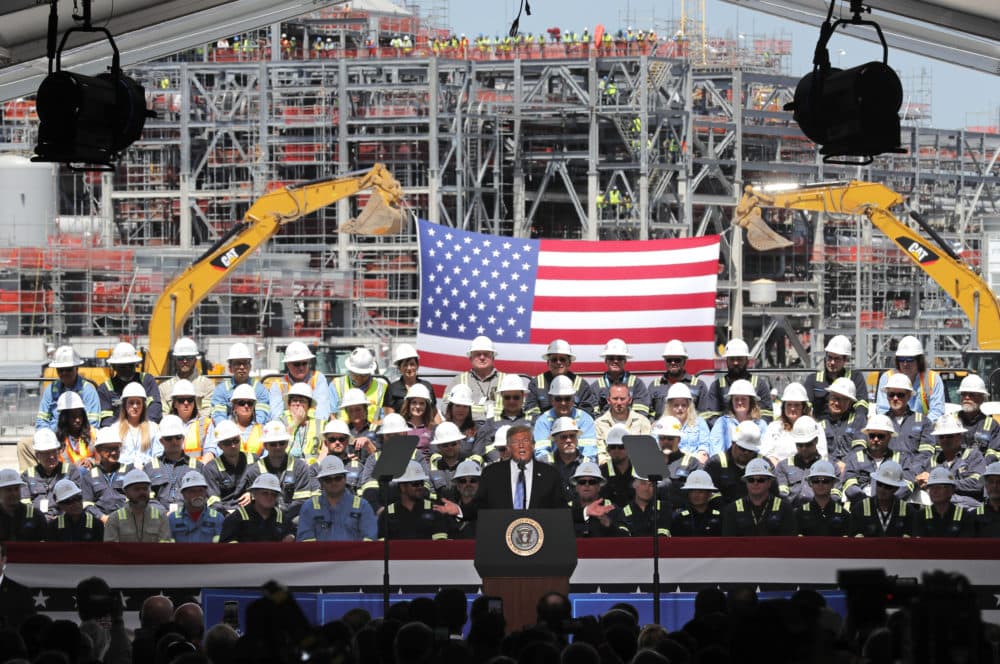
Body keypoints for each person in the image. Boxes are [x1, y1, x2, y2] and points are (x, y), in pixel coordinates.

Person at [439, 424, 566, 519]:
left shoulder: (550, 474)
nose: (521, 445)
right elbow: (479, 507)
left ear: (533, 445)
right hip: (501, 540)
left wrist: (584, 512)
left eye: (525, 441)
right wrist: (459, 510)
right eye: (516, 442)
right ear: (509, 447)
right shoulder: (491, 473)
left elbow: (562, 511)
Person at [243, 421, 317, 520]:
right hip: (264, 519)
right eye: (273, 444)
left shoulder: (300, 467)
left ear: (287, 444)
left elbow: (302, 500)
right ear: (265, 446)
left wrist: (281, 516)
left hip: (293, 517)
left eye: (282, 443)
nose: (278, 447)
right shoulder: (255, 470)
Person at [297, 456, 377, 542]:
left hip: (354, 555)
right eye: (328, 479)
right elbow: (305, 542)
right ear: (321, 482)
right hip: (320, 555)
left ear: (345, 478)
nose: (333, 482)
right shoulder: (309, 508)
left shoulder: (362, 506)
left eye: (338, 478)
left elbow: (369, 540)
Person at [842, 414, 916, 504]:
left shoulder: (902, 460)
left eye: (881, 436)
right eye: (872, 436)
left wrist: (886, 501)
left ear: (889, 436)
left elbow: (907, 485)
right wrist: (869, 503)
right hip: (861, 508)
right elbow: (849, 485)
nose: (876, 439)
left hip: (892, 509)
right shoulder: (854, 459)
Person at [701, 338, 774, 425]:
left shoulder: (760, 385)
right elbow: (711, 416)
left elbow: (767, 415)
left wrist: (749, 428)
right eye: (732, 359)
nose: (735, 363)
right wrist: (731, 429)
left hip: (754, 434)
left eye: (739, 359)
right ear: (726, 361)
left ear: (747, 360)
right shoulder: (717, 386)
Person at [920, 413, 986, 508]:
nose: (945, 440)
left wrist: (943, 484)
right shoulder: (931, 461)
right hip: (938, 511)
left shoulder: (973, 456)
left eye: (949, 436)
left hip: (967, 509)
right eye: (941, 437)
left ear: (960, 435)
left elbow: (977, 483)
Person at [875, 335, 945, 422]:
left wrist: (919, 426)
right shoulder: (887, 378)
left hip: (924, 430)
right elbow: (882, 410)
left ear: (919, 360)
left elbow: (937, 411)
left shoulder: (933, 379)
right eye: (901, 359)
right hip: (893, 428)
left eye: (909, 359)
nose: (905, 364)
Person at [35, 345, 100, 436]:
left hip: (79, 439)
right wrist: (47, 438)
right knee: (24, 444)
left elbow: (93, 423)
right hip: (53, 438)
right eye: (60, 370)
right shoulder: (50, 390)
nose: (64, 373)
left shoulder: (88, 390)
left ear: (76, 368)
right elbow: (41, 420)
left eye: (68, 369)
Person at [721, 458, 796, 536]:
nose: (755, 483)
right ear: (746, 482)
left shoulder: (784, 508)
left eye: (761, 480)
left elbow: (789, 542)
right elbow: (729, 543)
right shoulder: (732, 510)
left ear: (769, 482)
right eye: (751, 480)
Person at [144, 414, 203, 514]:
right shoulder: (149, 468)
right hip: (159, 520)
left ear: (183, 438)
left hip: (190, 517)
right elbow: (147, 496)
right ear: (161, 441)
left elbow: (203, 496)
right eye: (169, 438)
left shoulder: (198, 467)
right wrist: (163, 513)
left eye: (178, 437)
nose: (174, 441)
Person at [525, 340, 598, 418]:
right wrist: (548, 425)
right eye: (554, 360)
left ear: (569, 362)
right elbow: (531, 412)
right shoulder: (536, 384)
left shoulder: (581, 385)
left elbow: (587, 413)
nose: (558, 362)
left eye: (562, 359)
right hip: (546, 427)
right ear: (548, 363)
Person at [20, 428, 82, 521]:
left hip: (63, 522)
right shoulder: (27, 476)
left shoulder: (70, 471)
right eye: (46, 453)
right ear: (37, 455)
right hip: (37, 522)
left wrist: (58, 519)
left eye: (54, 451)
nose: (52, 456)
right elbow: (25, 506)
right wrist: (40, 518)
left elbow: (76, 502)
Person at [378, 461, 450, 540]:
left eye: (421, 483)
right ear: (402, 487)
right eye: (415, 483)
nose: (420, 487)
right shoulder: (388, 514)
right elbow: (382, 547)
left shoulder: (435, 510)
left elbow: (440, 544)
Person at [802, 335, 869, 419]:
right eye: (829, 357)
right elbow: (806, 405)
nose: (832, 362)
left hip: (847, 427)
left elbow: (862, 403)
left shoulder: (855, 378)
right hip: (820, 427)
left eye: (837, 359)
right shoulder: (812, 380)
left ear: (845, 360)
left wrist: (858, 420)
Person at [533, 375, 598, 461]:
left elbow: (590, 453)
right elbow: (541, 453)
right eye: (558, 399)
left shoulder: (585, 420)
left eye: (567, 398)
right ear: (551, 400)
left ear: (573, 399)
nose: (563, 403)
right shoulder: (543, 421)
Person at [97, 341, 163, 426]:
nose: (127, 369)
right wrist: (127, 429)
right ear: (113, 366)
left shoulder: (147, 381)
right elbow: (107, 421)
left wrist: (140, 427)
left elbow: (155, 409)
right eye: (122, 366)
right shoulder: (105, 389)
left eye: (130, 365)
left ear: (136, 364)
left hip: (146, 430)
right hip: (118, 435)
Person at [442, 336, 506, 422]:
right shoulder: (458, 380)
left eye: (486, 354)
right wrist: (481, 415)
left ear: (493, 357)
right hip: (466, 429)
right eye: (478, 354)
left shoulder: (506, 380)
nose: (482, 357)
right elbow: (445, 407)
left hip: (498, 427)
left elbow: (519, 407)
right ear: (470, 358)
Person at [760, 383, 828, 464]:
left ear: (803, 407)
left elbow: (823, 454)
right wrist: (773, 461)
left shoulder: (816, 426)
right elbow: (764, 452)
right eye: (789, 405)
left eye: (796, 405)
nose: (792, 408)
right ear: (783, 406)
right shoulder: (774, 427)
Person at [268, 341, 332, 423]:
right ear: (288, 364)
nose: (301, 367)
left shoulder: (318, 378)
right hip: (287, 430)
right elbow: (276, 416)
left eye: (304, 363)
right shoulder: (278, 384)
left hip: (313, 427)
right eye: (296, 364)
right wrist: (294, 422)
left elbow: (322, 411)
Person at [220, 474, 296, 542]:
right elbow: (227, 547)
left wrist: (291, 536)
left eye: (273, 494)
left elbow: (294, 533)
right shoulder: (238, 518)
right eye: (265, 493)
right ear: (254, 494)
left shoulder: (281, 517)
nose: (269, 497)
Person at [80, 426, 133, 522]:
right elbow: (86, 504)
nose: (113, 452)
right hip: (99, 524)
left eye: (116, 449)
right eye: (108, 449)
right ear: (98, 449)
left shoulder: (130, 472)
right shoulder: (89, 477)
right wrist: (103, 518)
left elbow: (136, 500)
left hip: (126, 521)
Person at [104, 469, 173, 542]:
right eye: (137, 489)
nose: (142, 492)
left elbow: (165, 548)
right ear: (126, 492)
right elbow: (111, 550)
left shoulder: (161, 517)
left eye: (145, 489)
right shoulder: (114, 519)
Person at [203, 420, 256, 514]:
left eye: (236, 441)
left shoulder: (253, 460)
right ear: (219, 446)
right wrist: (227, 514)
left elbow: (265, 487)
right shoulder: (211, 468)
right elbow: (212, 500)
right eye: (227, 443)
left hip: (250, 512)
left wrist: (252, 494)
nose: (233, 445)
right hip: (224, 512)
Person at [774, 417, 830, 507]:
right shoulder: (783, 466)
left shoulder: (829, 467)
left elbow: (834, 497)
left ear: (816, 441)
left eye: (808, 444)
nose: (804, 448)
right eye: (799, 444)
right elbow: (781, 495)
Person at [705, 420, 763, 506]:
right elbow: (709, 494)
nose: (746, 453)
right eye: (742, 448)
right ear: (733, 443)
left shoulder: (764, 464)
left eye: (750, 450)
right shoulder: (715, 464)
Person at [474, 373, 530, 462]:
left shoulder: (534, 422)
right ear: (502, 397)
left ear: (523, 396)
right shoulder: (489, 424)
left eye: (516, 397)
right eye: (507, 397)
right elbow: (478, 452)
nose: (511, 401)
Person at [848, 460, 913, 537]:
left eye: (888, 486)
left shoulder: (908, 511)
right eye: (880, 484)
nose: (882, 489)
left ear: (897, 488)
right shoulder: (860, 508)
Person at [210, 343, 270, 425]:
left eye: (245, 363)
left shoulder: (260, 390)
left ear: (250, 366)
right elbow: (219, 416)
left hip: (254, 433)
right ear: (230, 367)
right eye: (238, 363)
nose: (242, 367)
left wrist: (247, 431)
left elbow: (261, 417)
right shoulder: (221, 390)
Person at [649, 339, 711, 419]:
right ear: (665, 362)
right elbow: (649, 415)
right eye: (669, 360)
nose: (673, 363)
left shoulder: (699, 386)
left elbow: (704, 416)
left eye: (677, 360)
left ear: (684, 361)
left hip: (690, 430)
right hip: (662, 430)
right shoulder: (654, 386)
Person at [707, 379, 767, 457]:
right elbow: (716, 451)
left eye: (743, 399)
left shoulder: (761, 425)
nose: (739, 402)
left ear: (751, 401)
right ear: (731, 402)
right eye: (736, 399)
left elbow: (764, 450)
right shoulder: (722, 423)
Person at [591, 339, 651, 417]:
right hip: (605, 427)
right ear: (606, 361)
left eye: (619, 358)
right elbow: (594, 414)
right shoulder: (595, 387)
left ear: (625, 361)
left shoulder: (637, 384)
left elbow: (641, 413)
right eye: (611, 358)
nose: (615, 361)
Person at [880, 373, 934, 459]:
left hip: (915, 471)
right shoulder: (879, 422)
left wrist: (911, 470)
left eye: (900, 395)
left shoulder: (923, 422)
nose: (895, 398)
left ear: (909, 396)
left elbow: (926, 454)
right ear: (887, 396)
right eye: (891, 394)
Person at [329, 347, 389, 424]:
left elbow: (386, 419)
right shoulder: (336, 385)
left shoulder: (382, 389)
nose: (359, 378)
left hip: (372, 433)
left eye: (363, 375)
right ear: (350, 370)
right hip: (343, 433)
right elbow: (331, 415)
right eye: (356, 374)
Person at [654, 415, 702, 510]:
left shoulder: (692, 462)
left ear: (679, 439)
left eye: (670, 438)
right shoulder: (650, 461)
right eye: (662, 438)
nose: (666, 442)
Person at [820, 377, 868, 470]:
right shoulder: (821, 422)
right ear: (829, 398)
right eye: (834, 398)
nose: (837, 403)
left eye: (843, 400)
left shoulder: (858, 420)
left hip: (853, 469)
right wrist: (836, 464)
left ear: (850, 402)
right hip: (827, 470)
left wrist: (846, 464)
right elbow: (818, 451)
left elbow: (859, 449)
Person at [912, 466, 975, 537]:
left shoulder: (965, 517)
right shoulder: (920, 516)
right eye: (931, 487)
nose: (934, 491)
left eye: (939, 487)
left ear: (951, 490)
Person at [159, 337, 215, 414]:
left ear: (195, 360)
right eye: (181, 358)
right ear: (175, 360)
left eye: (189, 358)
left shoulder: (207, 385)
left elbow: (207, 412)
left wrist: (192, 424)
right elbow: (163, 415)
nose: (185, 361)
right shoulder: (164, 388)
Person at [794, 460, 849, 536]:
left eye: (825, 481)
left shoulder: (844, 515)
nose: (820, 484)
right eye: (816, 481)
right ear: (810, 483)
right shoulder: (799, 514)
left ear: (833, 484)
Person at [658, 383, 711, 462]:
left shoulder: (700, 422)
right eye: (676, 405)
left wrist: (701, 454)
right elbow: (656, 447)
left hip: (695, 465)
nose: (680, 408)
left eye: (683, 405)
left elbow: (705, 446)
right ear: (669, 406)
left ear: (689, 406)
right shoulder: (661, 423)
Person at [168, 471, 225, 542]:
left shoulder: (217, 518)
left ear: (205, 492)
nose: (197, 495)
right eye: (192, 491)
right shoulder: (172, 519)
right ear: (183, 494)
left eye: (201, 490)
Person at [954, 374, 1000, 462]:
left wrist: (976, 468)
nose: (967, 397)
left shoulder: (993, 426)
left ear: (982, 398)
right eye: (964, 394)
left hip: (981, 472)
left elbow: (993, 455)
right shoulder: (949, 421)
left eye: (972, 394)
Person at [594, 383, 652, 452]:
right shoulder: (598, 424)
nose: (619, 403)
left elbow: (646, 449)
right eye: (615, 399)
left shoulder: (643, 422)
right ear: (608, 400)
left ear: (630, 400)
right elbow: (601, 453)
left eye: (622, 399)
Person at [168, 379, 215, 463]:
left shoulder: (205, 424)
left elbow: (210, 451)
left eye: (190, 399)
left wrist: (198, 469)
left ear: (194, 403)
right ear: (174, 403)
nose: (186, 403)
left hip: (198, 471)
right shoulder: (166, 425)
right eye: (181, 400)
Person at [115, 382, 161, 468]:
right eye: (131, 403)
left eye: (138, 403)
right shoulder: (115, 429)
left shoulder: (154, 428)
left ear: (143, 406)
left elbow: (158, 455)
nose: (135, 406)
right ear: (125, 405)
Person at [569, 462, 621, 537]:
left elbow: (626, 538)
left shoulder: (612, 510)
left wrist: (609, 525)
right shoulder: (567, 509)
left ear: (599, 487)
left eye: (592, 482)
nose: (587, 485)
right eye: (582, 482)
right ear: (576, 487)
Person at [276, 383, 323, 466]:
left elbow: (325, 449)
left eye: (302, 401)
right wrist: (296, 422)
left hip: (311, 469)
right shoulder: (280, 421)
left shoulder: (320, 424)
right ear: (289, 405)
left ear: (309, 406)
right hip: (284, 466)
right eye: (294, 400)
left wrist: (316, 466)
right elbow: (277, 443)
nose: (298, 404)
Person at [385, 343, 437, 414]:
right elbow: (389, 417)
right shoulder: (392, 389)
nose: (409, 368)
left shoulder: (427, 386)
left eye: (412, 364)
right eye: (405, 365)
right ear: (399, 368)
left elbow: (434, 414)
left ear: (417, 366)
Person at [670, 470, 723, 536]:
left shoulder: (719, 517)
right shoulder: (679, 518)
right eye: (692, 491)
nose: (695, 495)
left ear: (709, 494)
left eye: (700, 491)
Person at [616, 473, 670, 537]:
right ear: (634, 485)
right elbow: (623, 536)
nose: (646, 489)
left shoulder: (664, 508)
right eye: (643, 484)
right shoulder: (624, 511)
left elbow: (663, 533)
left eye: (651, 485)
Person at [0, 469, 47, 540]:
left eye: (16, 489)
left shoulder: (36, 516)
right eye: (8, 490)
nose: (14, 494)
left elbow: (46, 544)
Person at [547, 417, 587, 500]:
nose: (568, 440)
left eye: (572, 436)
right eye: (563, 437)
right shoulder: (545, 464)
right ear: (555, 440)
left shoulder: (588, 464)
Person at [338, 387, 380, 463]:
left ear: (365, 410)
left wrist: (368, 444)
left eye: (358, 409)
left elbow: (382, 461)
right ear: (347, 412)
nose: (354, 414)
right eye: (350, 410)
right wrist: (345, 460)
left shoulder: (377, 431)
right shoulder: (342, 433)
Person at [599, 424, 636, 508]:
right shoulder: (601, 472)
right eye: (613, 447)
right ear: (608, 450)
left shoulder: (640, 470)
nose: (616, 450)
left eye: (621, 447)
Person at [443, 460, 481, 539]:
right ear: (457, 485)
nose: (468, 484)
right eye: (463, 481)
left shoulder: (488, 508)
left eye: (473, 480)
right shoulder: (447, 510)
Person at [400, 383, 438, 460]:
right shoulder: (400, 427)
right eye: (414, 402)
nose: (418, 406)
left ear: (426, 406)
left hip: (426, 469)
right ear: (408, 405)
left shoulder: (434, 428)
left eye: (421, 403)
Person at [441, 384, 479, 461]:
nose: (461, 410)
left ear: (469, 409)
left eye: (465, 406)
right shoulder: (440, 429)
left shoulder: (478, 430)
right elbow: (435, 451)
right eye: (457, 406)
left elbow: (478, 453)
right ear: (451, 407)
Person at [428, 422, 467, 493]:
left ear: (459, 443)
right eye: (445, 445)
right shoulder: (434, 465)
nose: (450, 447)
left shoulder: (468, 464)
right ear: (438, 446)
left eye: (453, 444)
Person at [974, 461, 1000, 537]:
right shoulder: (974, 516)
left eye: (999, 482)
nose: (995, 486)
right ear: (985, 485)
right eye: (991, 482)